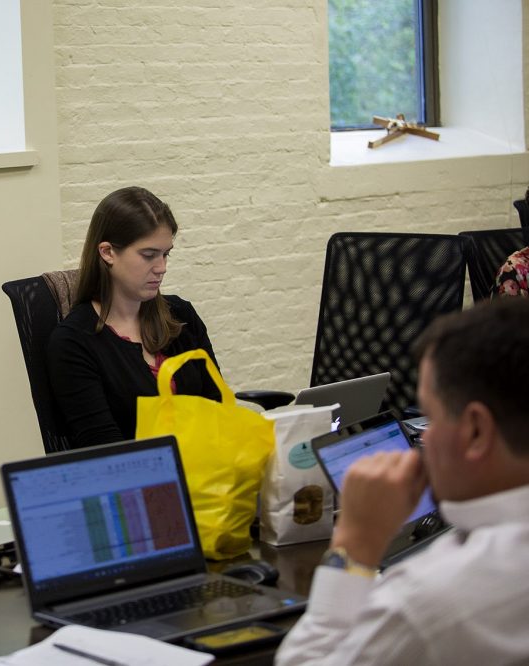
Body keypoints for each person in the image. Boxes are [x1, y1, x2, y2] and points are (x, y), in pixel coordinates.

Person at [275, 298, 529, 665]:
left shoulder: (431, 600)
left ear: (475, 430)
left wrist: (355, 545)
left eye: (432, 417)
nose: (424, 439)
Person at [46, 186, 221, 449]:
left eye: (166, 254)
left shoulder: (180, 316)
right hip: (134, 482)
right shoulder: (74, 342)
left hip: (208, 470)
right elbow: (104, 447)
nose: (161, 268)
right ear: (107, 253)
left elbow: (216, 407)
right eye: (149, 255)